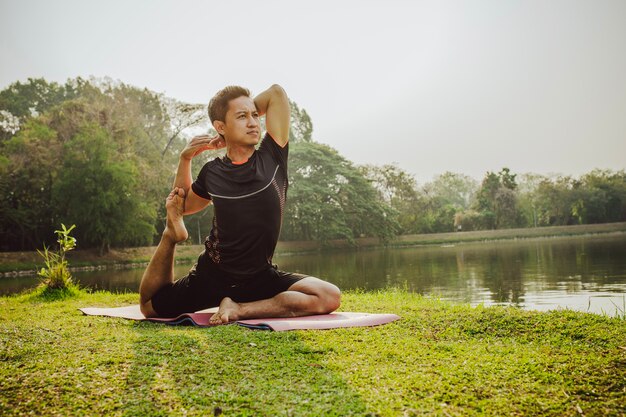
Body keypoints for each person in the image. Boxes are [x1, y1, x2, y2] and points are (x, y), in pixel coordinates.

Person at [139, 84, 341, 324]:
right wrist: (186, 158)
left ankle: (239, 309)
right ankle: (170, 235)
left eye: (255, 115)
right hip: (212, 275)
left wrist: (243, 109)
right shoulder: (213, 171)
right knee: (150, 307)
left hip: (259, 276)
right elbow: (183, 206)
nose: (254, 123)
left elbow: (276, 93)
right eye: (242, 117)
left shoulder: (272, 155)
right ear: (220, 126)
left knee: (328, 296)